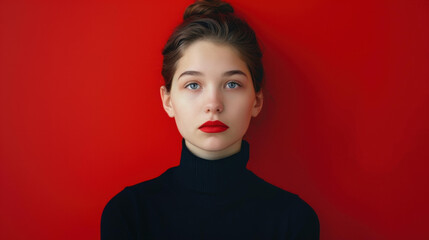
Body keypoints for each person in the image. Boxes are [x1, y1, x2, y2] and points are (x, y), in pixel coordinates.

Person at [101, 0, 320, 239]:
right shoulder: (128, 214)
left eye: (232, 84)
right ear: (168, 101)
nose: (214, 104)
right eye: (193, 84)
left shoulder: (293, 220)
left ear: (256, 101)